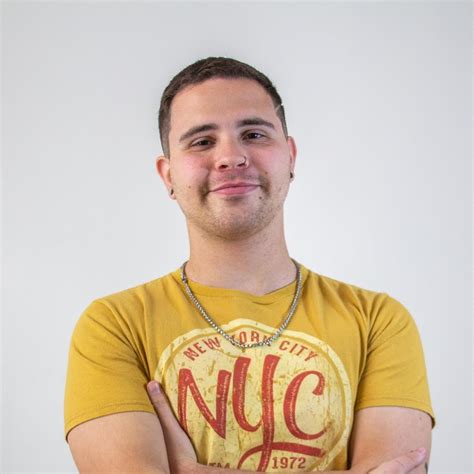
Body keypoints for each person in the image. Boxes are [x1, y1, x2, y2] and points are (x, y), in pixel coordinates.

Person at [64, 57, 435, 473]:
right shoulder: (114, 325)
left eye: (254, 134)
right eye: (202, 141)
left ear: (290, 156)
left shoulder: (378, 322)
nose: (231, 157)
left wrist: (191, 471)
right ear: (168, 175)